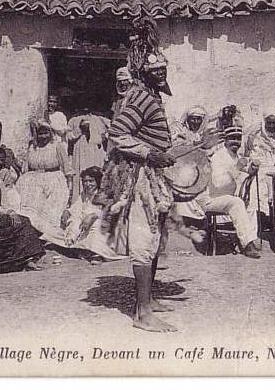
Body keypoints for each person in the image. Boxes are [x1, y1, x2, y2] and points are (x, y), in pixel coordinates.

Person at [95, 17, 178, 333]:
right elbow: (118, 134)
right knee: (144, 238)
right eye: (155, 70)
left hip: (154, 175)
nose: (162, 74)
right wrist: (150, 153)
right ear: (143, 71)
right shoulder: (141, 95)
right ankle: (142, 312)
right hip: (141, 177)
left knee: (154, 237)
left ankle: (149, 299)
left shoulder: (151, 94)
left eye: (164, 69)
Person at [180, 126, 262, 258]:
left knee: (250, 205)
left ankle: (250, 240)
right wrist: (237, 168)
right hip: (210, 199)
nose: (235, 142)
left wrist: (253, 169)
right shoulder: (219, 157)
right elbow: (218, 185)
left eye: (238, 139)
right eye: (232, 139)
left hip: (224, 197)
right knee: (236, 203)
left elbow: (246, 171)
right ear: (225, 140)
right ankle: (247, 245)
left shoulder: (235, 156)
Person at [16, 120, 74, 245]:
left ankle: (49, 235)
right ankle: (33, 232)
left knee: (51, 209)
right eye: (40, 134)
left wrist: (70, 185)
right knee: (28, 203)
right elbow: (26, 165)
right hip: (33, 179)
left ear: (51, 133)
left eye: (46, 133)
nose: (43, 137)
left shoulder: (57, 146)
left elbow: (67, 167)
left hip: (53, 179)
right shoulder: (32, 146)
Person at [63, 166, 125, 263]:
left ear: (97, 181)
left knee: (97, 226)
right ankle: (84, 248)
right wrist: (68, 211)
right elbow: (77, 207)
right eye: (85, 181)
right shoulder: (84, 194)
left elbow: (110, 210)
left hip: (105, 223)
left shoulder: (104, 194)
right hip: (86, 224)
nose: (87, 184)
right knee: (75, 221)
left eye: (91, 181)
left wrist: (94, 215)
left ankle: (98, 253)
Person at [242, 107, 275, 220]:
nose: (272, 126)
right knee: (256, 186)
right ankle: (259, 217)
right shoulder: (255, 136)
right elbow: (246, 155)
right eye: (269, 123)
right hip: (257, 171)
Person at [67, 109, 109, 198]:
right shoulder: (74, 119)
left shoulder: (100, 119)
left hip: (95, 150)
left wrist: (103, 136)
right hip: (80, 149)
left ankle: (96, 198)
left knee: (95, 172)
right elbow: (69, 136)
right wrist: (79, 130)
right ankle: (79, 199)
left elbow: (110, 131)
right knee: (80, 171)